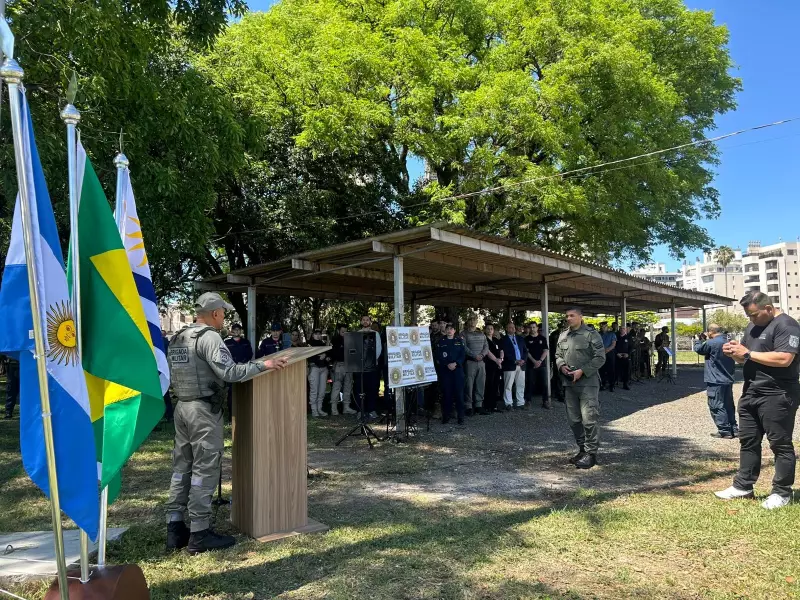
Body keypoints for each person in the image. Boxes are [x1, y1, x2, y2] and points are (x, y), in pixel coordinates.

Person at [165, 292, 288, 553]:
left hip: (182, 408)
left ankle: (175, 528)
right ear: (215, 313)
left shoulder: (178, 337)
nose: (225, 317)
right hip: (203, 411)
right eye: (223, 312)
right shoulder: (209, 337)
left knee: (181, 467)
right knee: (204, 468)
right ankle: (199, 533)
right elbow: (229, 372)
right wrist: (264, 365)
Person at [716, 291, 800, 509]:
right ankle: (743, 486)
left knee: (780, 444)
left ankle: (782, 492)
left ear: (769, 309)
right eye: (748, 316)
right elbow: (746, 356)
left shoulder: (787, 325)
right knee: (748, 440)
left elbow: (784, 358)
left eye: (754, 315)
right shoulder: (753, 326)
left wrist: (747, 354)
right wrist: (734, 352)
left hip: (778, 393)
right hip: (751, 391)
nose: (751, 320)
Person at [556, 307, 606, 470]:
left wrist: (582, 371)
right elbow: (557, 355)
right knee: (574, 420)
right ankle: (582, 449)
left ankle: (591, 454)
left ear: (580, 317)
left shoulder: (591, 334)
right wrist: (562, 366)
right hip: (569, 383)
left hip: (588, 383)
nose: (569, 318)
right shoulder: (563, 335)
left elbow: (600, 357)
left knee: (589, 418)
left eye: (572, 316)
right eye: (567, 316)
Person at [694, 324, 737, 438]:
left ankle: (724, 430)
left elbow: (699, 350)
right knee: (728, 404)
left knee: (716, 404)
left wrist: (699, 340)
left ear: (710, 332)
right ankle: (734, 428)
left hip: (715, 379)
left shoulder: (711, 343)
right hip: (727, 378)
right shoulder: (728, 341)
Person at [436, 322, 465, 425]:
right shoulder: (441, 341)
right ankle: (446, 416)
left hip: (457, 371)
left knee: (459, 394)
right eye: (448, 328)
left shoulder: (459, 341)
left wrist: (456, 363)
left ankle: (460, 417)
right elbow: (438, 356)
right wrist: (447, 364)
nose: (449, 330)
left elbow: (462, 355)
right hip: (446, 371)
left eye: (451, 329)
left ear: (454, 331)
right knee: (446, 394)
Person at [353, 315, 382, 419]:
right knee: (359, 389)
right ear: (361, 322)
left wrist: (371, 361)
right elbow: (354, 349)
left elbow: (378, 349)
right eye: (363, 320)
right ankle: (359, 411)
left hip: (372, 367)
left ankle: (372, 410)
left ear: (370, 322)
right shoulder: (356, 334)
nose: (365, 321)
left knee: (372, 389)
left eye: (367, 320)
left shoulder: (376, 334)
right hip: (360, 367)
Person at [223, 323, 254, 418]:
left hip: (243, 369)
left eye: (238, 330)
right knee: (232, 394)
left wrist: (242, 363)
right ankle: (231, 416)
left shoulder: (246, 342)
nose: (236, 332)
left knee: (244, 392)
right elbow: (224, 356)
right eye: (235, 330)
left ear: (241, 331)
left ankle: (243, 415)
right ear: (232, 331)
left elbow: (249, 354)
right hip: (231, 370)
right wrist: (233, 364)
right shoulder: (227, 343)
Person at [463, 317, 490, 416]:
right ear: (468, 322)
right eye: (470, 320)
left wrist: (482, 355)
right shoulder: (464, 334)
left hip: (481, 362)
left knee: (480, 384)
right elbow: (464, 347)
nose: (472, 322)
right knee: (469, 385)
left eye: (474, 320)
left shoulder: (481, 333)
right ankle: (468, 406)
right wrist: (475, 356)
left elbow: (486, 346)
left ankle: (479, 405)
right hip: (470, 362)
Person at [500, 322, 527, 411]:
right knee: (508, 385)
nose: (512, 329)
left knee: (521, 384)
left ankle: (520, 402)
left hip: (521, 365)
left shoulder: (520, 338)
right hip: (510, 365)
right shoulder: (503, 339)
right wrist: (514, 361)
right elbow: (504, 352)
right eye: (509, 327)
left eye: (513, 327)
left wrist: (523, 359)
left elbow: (525, 351)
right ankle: (508, 403)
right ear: (506, 329)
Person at [330, 324, 356, 415]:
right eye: (342, 331)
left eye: (346, 331)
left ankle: (346, 407)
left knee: (348, 387)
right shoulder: (335, 340)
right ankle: (334, 408)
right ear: (338, 331)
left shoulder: (350, 340)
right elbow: (333, 354)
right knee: (336, 387)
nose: (344, 333)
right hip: (339, 365)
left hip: (349, 366)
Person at [524, 322, 551, 409]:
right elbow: (526, 352)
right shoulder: (526, 339)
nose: (532, 329)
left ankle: (545, 401)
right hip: (531, 365)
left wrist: (539, 361)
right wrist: (534, 361)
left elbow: (545, 350)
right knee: (530, 383)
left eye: (534, 327)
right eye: (530, 327)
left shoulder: (542, 338)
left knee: (544, 383)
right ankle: (528, 401)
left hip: (541, 364)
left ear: (537, 328)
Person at [307, 329, 330, 417]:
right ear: (313, 335)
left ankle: (319, 409)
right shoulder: (309, 344)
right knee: (314, 390)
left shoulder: (323, 344)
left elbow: (329, 354)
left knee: (322, 390)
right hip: (314, 369)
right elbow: (309, 358)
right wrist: (319, 357)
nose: (318, 335)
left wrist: (326, 356)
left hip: (323, 369)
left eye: (319, 334)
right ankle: (314, 410)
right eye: (316, 334)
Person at [482, 324, 504, 413]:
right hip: (489, 365)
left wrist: (501, 360)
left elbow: (501, 350)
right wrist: (496, 360)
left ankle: (494, 405)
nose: (490, 330)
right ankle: (487, 406)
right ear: (485, 330)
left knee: (496, 385)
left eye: (491, 329)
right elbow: (487, 352)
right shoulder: (484, 340)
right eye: (488, 329)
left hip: (497, 365)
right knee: (489, 385)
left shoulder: (496, 340)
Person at [549, 321, 566, 403]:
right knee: (558, 376)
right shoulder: (554, 334)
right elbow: (551, 347)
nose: (562, 328)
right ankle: (559, 394)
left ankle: (566, 394)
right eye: (561, 326)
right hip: (557, 358)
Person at [599, 322, 617, 392]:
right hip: (601, 353)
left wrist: (606, 350)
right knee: (602, 369)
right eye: (601, 327)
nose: (602, 328)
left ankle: (612, 385)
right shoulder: (599, 334)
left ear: (607, 327)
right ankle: (602, 384)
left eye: (604, 326)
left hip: (610, 353)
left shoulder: (612, 334)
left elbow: (613, 344)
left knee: (611, 369)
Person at [615, 326, 632, 391]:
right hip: (618, 356)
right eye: (621, 329)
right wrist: (617, 353)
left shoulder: (628, 337)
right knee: (616, 370)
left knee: (626, 371)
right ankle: (613, 383)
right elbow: (614, 346)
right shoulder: (616, 337)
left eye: (623, 329)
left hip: (626, 356)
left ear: (626, 330)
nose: (622, 330)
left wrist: (628, 354)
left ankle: (625, 384)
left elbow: (631, 347)